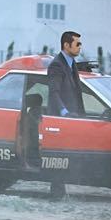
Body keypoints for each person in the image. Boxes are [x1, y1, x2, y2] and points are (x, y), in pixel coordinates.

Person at [45, 31, 84, 200]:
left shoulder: (71, 63)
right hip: (60, 119)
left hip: (72, 118)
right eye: (77, 44)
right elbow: (54, 93)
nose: (80, 47)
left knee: (67, 156)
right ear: (66, 45)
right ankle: (56, 194)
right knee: (59, 157)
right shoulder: (57, 65)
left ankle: (60, 192)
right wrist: (64, 113)